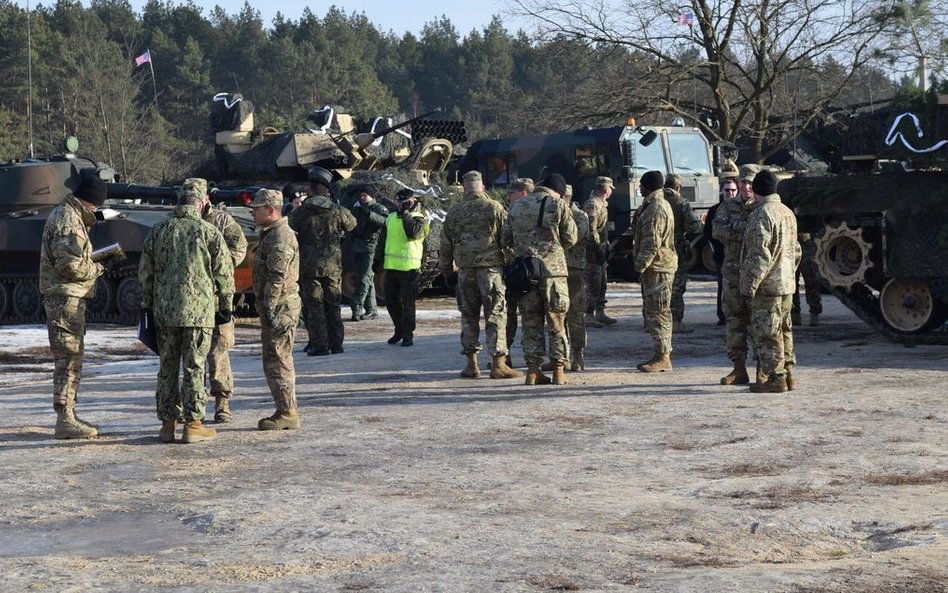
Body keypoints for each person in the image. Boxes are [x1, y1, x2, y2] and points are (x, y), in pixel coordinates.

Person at [139, 180, 234, 444]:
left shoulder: (158, 231)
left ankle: (167, 425)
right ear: (202, 203)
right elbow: (224, 275)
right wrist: (225, 307)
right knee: (194, 367)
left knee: (167, 367)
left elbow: (145, 275)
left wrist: (147, 306)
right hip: (199, 313)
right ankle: (193, 425)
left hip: (165, 313)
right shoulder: (209, 232)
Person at [39, 173, 114, 439]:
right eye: (95, 205)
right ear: (89, 201)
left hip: (68, 298)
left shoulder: (70, 216)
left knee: (72, 356)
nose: (96, 210)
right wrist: (99, 265)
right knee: (68, 358)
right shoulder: (69, 220)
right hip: (64, 299)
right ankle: (65, 419)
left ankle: (68, 413)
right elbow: (69, 265)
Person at [439, 171, 522, 379]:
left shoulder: (454, 212)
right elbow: (506, 239)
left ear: (465, 188)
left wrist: (447, 272)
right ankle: (498, 364)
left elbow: (445, 246)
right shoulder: (494, 207)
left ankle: (471, 364)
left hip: (465, 271)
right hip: (491, 270)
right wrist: (513, 264)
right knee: (495, 315)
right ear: (482, 187)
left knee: (469, 316)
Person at [501, 173, 578, 385]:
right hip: (553, 273)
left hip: (526, 274)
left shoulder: (516, 206)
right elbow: (571, 237)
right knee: (557, 322)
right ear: (558, 191)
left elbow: (505, 238)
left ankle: (532, 371)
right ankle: (559, 371)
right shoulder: (557, 205)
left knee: (530, 323)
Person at [185, 178, 248, 424]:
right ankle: (194, 406)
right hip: (191, 298)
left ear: (206, 200)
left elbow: (239, 247)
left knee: (219, 350)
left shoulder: (221, 220)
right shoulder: (182, 221)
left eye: (198, 199)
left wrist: (217, 264)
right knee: (192, 354)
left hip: (216, 293)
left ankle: (222, 403)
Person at [741, 170, 801, 393]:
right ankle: (788, 374)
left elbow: (759, 255)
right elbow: (796, 251)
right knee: (785, 329)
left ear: (755, 191)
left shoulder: (760, 215)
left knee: (768, 333)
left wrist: (750, 284)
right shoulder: (787, 213)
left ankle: (776, 378)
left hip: (768, 286)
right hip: (786, 283)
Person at [288, 166, 356, 356]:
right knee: (333, 304)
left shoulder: (303, 212)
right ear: (326, 189)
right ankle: (337, 344)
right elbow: (352, 225)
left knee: (315, 305)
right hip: (333, 265)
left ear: (311, 189)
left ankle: (320, 345)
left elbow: (290, 224)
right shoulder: (337, 210)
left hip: (310, 267)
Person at [250, 189, 303, 430]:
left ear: (271, 211)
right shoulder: (271, 234)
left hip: (280, 307)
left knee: (278, 359)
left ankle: (287, 412)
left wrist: (269, 307)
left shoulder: (280, 237)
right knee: (274, 358)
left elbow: (277, 277)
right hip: (277, 306)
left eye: (257, 209)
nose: (253, 213)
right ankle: (284, 408)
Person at [713, 165, 759, 385]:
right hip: (732, 271)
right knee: (734, 320)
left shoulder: (762, 207)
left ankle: (764, 368)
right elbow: (717, 231)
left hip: (756, 273)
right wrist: (742, 228)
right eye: (743, 182)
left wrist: (735, 228)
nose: (746, 187)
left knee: (759, 322)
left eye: (750, 183)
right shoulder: (728, 206)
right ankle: (738, 368)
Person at [632, 170, 677, 372]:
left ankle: (663, 357)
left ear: (647, 186)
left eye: (641, 185)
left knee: (659, 312)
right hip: (655, 266)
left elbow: (652, 241)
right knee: (654, 311)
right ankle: (659, 353)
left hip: (658, 267)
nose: (639, 188)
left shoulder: (656, 207)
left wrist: (640, 265)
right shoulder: (651, 205)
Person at [381, 188, 430, 347]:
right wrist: (377, 260)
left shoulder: (419, 218)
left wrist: (406, 214)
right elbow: (382, 240)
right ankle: (399, 330)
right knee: (391, 302)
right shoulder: (390, 218)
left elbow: (414, 234)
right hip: (392, 268)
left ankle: (408, 333)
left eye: (404, 203)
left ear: (412, 202)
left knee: (408, 303)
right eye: (398, 202)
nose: (400, 205)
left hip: (410, 268)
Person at [663, 173, 704, 333]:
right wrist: (701, 221)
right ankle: (676, 322)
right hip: (675, 248)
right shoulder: (681, 202)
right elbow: (692, 226)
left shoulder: (654, 201)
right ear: (678, 187)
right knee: (677, 285)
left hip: (658, 248)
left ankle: (652, 321)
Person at [503, 177, 534, 365]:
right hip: (538, 270)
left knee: (510, 314)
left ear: (523, 192)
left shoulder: (514, 211)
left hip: (516, 269)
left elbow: (505, 239)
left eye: (511, 193)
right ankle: (536, 360)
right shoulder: (549, 206)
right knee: (534, 316)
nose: (508, 197)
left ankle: (504, 356)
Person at [347, 185, 389, 322]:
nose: (362, 197)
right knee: (367, 280)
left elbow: (386, 222)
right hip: (357, 246)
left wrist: (369, 214)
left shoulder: (378, 208)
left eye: (365, 195)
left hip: (371, 247)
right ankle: (372, 310)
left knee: (364, 280)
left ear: (371, 195)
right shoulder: (356, 208)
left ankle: (357, 308)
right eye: (361, 195)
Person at [562, 184, 591, 371]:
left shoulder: (579, 216)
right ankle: (561, 356)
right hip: (556, 271)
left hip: (574, 269)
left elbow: (572, 238)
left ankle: (578, 355)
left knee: (575, 315)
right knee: (557, 316)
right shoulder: (553, 214)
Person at [583, 176, 616, 327]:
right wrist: (597, 248)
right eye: (610, 188)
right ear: (605, 189)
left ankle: (600, 312)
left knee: (602, 282)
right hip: (592, 252)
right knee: (592, 283)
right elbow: (591, 230)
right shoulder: (593, 205)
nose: (611, 191)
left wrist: (605, 246)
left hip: (600, 248)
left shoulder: (602, 204)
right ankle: (588, 314)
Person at [704, 178, 735, 326]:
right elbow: (708, 233)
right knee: (723, 285)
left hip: (740, 255)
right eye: (727, 190)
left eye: (733, 190)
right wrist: (717, 247)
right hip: (722, 255)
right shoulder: (714, 210)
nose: (730, 193)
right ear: (721, 191)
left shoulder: (744, 209)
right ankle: (722, 315)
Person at [791, 230, 823, 326]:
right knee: (792, 281)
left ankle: (814, 313)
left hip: (807, 242)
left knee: (812, 280)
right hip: (791, 242)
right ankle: (794, 313)